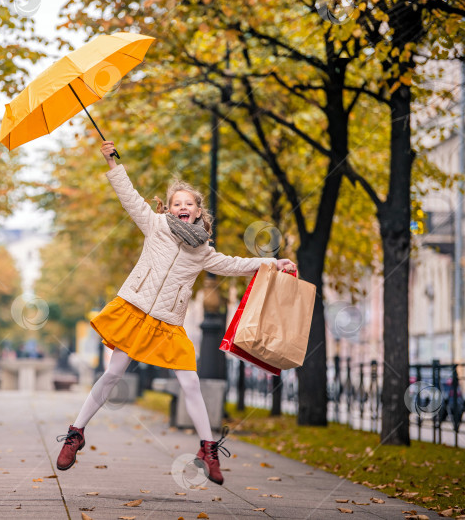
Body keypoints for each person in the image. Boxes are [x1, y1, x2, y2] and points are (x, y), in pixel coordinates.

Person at [55, 140, 297, 485]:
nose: (183, 206)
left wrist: (273, 262)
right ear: (169, 209)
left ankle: (207, 448)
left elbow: (234, 264)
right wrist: (112, 162)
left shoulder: (203, 252)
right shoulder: (154, 226)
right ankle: (75, 433)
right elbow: (130, 196)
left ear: (198, 211)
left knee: (191, 382)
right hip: (135, 311)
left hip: (168, 323)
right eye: (176, 203)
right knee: (112, 375)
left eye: (189, 203)